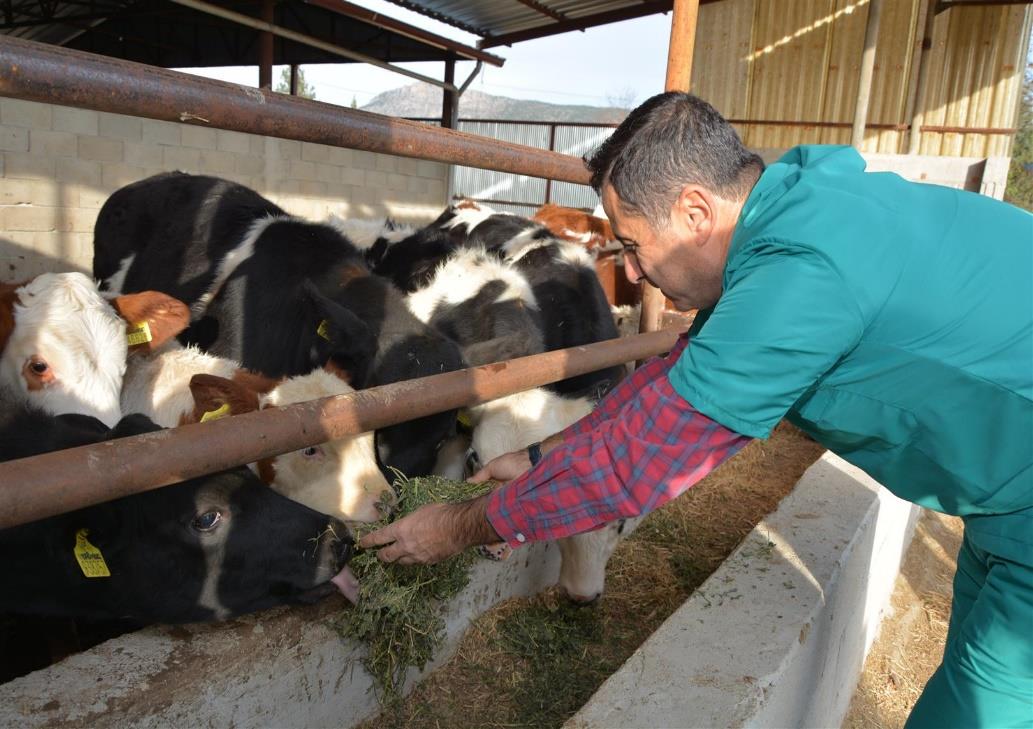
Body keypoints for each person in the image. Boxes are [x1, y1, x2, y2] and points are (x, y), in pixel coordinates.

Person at [360, 92, 1032, 728]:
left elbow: (635, 468)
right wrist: (537, 454)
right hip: (1003, 502)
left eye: (630, 244)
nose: (628, 273)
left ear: (693, 212)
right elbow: (667, 383)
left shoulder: (801, 277)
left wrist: (450, 528)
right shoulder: (802, 209)